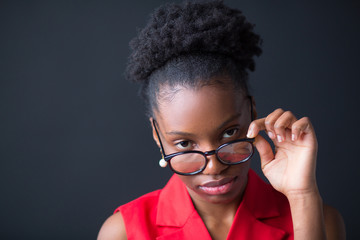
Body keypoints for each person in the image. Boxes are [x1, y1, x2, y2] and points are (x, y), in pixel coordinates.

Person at [98, 1, 345, 239]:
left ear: (252, 112)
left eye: (229, 133)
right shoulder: (123, 233)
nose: (214, 167)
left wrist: (302, 196)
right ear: (157, 135)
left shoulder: (318, 221)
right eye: (184, 144)